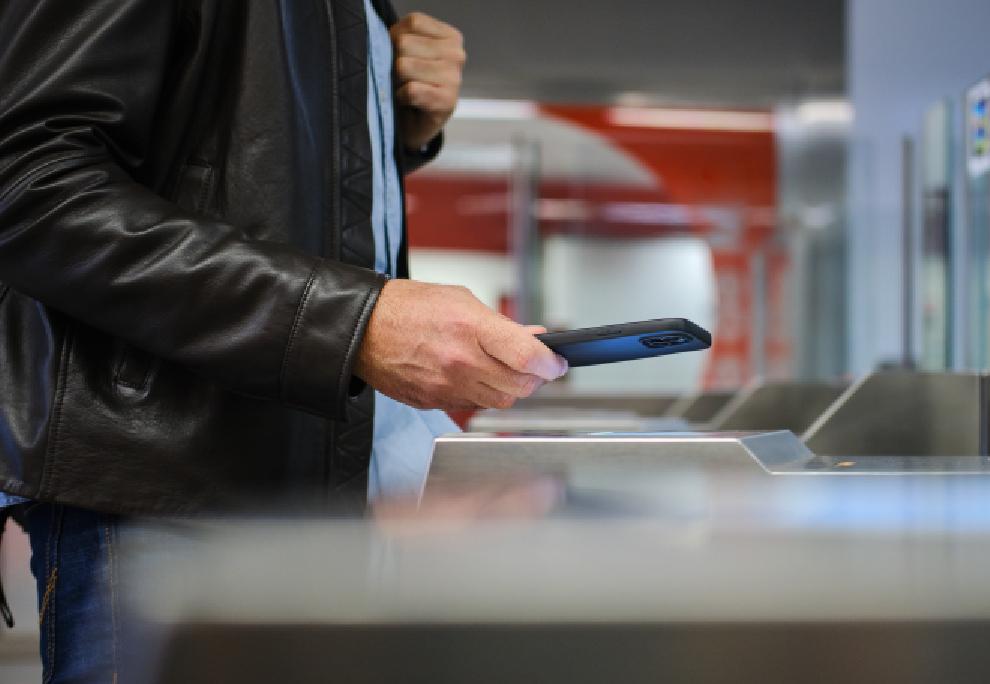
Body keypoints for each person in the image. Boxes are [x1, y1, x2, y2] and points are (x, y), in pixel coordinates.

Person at [0, 0, 567, 680]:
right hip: (169, 492)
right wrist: (353, 324)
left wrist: (392, 128)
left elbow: (228, 177)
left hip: (320, 490)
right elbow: (27, 185)